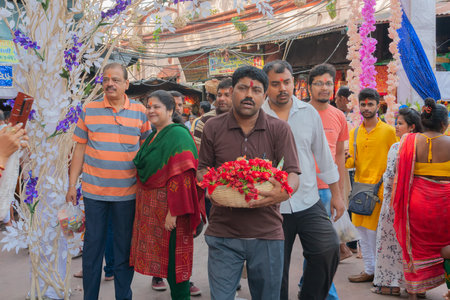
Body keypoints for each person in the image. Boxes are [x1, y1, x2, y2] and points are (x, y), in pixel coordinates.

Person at [197, 65, 300, 300]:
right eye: (242, 88)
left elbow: (293, 173)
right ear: (232, 91)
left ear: (264, 96)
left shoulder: (279, 129)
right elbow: (202, 169)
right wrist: (211, 185)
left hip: (266, 233)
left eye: (256, 91)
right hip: (223, 232)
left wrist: (284, 192)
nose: (248, 95)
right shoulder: (213, 127)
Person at [66, 63, 151, 300]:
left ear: (126, 84)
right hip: (94, 194)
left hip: (128, 195)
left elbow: (146, 150)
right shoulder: (90, 109)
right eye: (105, 79)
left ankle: (123, 296)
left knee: (124, 251)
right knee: (92, 250)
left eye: (115, 79)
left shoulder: (140, 112)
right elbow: (79, 149)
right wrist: (72, 185)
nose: (109, 83)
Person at [262, 60, 342, 300]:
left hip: (308, 199)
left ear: (294, 83)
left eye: (286, 82)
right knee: (276, 269)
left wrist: (337, 195)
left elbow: (324, 157)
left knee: (327, 249)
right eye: (275, 84)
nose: (282, 88)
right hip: (271, 206)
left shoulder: (308, 113)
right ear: (266, 87)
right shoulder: (257, 116)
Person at [130, 90, 203, 300]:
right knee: (166, 263)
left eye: (156, 107)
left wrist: (174, 212)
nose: (151, 111)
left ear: (170, 110)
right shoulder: (154, 134)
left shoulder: (178, 134)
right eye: (148, 106)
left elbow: (184, 176)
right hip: (153, 211)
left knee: (176, 268)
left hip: (171, 212)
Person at [392, 98, 450, 300]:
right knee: (447, 245)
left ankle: (416, 290)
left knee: (416, 247)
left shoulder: (408, 141)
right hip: (445, 204)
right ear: (444, 124)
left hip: (415, 202)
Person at [346, 88, 397, 284]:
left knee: (377, 235)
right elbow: (351, 163)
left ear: (378, 105)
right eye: (363, 104)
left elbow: (396, 159)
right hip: (360, 190)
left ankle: (381, 274)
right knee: (361, 233)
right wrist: (341, 157)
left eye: (370, 104)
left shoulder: (389, 132)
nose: (366, 108)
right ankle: (369, 270)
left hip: (381, 192)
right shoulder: (355, 132)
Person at [372, 108, 423, 296]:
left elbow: (390, 177)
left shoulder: (398, 147)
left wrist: (387, 204)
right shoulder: (425, 147)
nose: (396, 127)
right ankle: (418, 286)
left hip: (395, 204)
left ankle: (389, 284)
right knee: (413, 247)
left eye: (400, 123)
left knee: (389, 244)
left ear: (412, 126)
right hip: (417, 205)